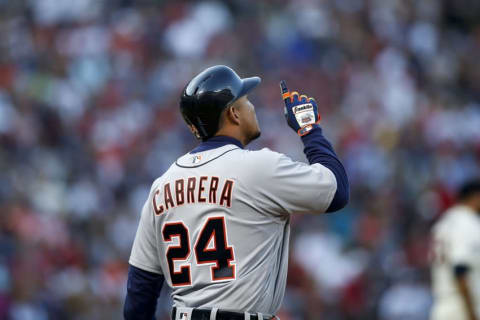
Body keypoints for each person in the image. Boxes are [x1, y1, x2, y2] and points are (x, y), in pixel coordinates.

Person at [123, 65, 349, 320]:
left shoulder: (162, 185)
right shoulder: (258, 167)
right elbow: (337, 191)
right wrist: (310, 130)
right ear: (233, 113)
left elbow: (139, 294)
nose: (252, 107)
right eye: (246, 100)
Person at [431, 179, 480, 320]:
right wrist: (471, 314)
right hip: (462, 308)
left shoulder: (444, 222)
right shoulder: (467, 222)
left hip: (443, 305)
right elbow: (460, 270)